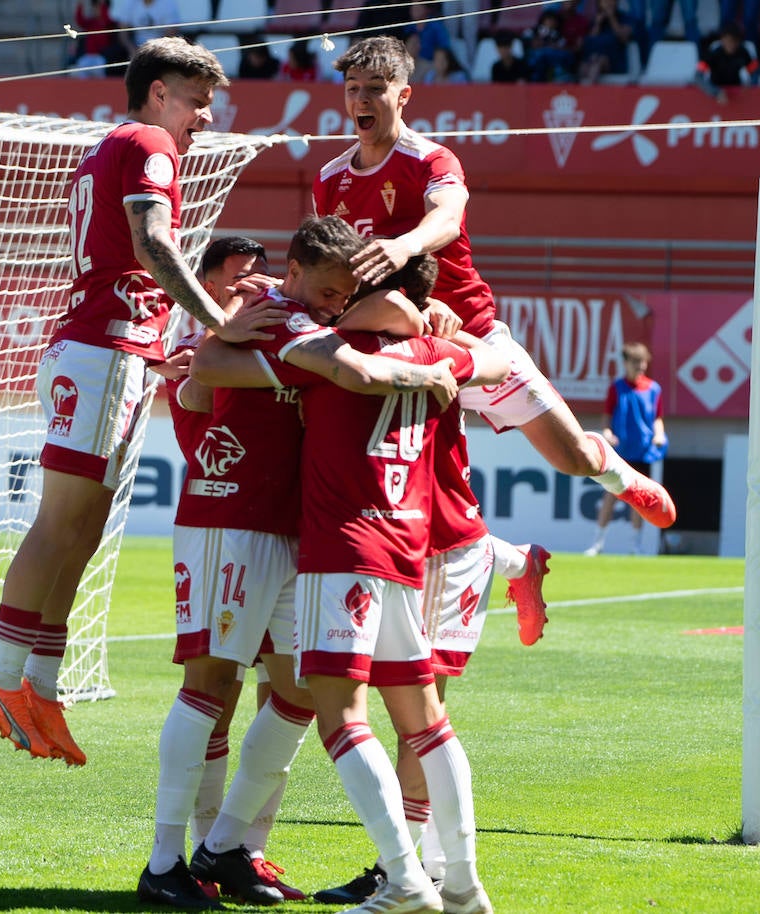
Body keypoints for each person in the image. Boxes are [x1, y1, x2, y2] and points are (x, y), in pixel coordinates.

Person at [0, 37, 284, 768]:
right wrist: (217, 320)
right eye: (197, 101)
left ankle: (38, 684)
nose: (204, 117)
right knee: (61, 522)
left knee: (84, 529)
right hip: (102, 347)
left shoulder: (113, 145)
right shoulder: (146, 142)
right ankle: (1, 676)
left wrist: (154, 350)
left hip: (117, 350)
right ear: (157, 92)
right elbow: (151, 244)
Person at [190, 216, 508, 914]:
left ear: (362, 288)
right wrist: (430, 344)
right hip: (404, 549)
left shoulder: (317, 345)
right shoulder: (432, 346)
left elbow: (206, 369)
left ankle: (404, 881)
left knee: (338, 717)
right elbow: (497, 363)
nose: (329, 300)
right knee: (426, 722)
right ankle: (462, 882)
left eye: (342, 289)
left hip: (341, 549)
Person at [313, 37, 676, 569]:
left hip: (472, 339)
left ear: (404, 94)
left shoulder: (430, 159)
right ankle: (518, 567)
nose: (362, 100)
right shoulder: (330, 179)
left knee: (571, 457)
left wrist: (406, 243)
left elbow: (448, 211)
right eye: (353, 90)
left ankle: (620, 474)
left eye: (375, 89)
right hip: (393, 346)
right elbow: (329, 262)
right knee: (419, 505)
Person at [139, 237, 309, 909]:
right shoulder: (201, 361)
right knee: (215, 693)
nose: (251, 287)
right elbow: (203, 410)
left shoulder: (279, 325)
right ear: (201, 286)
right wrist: (218, 341)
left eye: (259, 277)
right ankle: (173, 860)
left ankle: (235, 848)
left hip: (294, 531)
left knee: (299, 693)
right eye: (236, 280)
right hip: (229, 523)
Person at [585, 342, 668, 556]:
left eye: (643, 362)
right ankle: (598, 544)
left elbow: (657, 418)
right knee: (610, 497)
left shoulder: (654, 389)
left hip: (643, 452)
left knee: (639, 502)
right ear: (625, 363)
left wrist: (659, 434)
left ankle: (635, 546)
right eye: (635, 362)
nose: (640, 366)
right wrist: (607, 432)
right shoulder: (617, 387)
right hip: (620, 453)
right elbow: (607, 417)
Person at [695, 22, 758, 102]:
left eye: (734, 41)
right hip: (715, 91)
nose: (731, 44)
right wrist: (715, 91)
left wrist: (751, 86)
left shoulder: (743, 52)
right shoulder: (714, 53)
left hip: (736, 92)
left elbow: (754, 71)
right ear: (722, 40)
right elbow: (698, 76)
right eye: (728, 41)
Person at [578, 0, 640, 84]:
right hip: (592, 58)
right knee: (583, 66)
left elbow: (623, 38)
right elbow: (590, 41)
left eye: (611, 0)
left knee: (597, 64)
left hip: (615, 61)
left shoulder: (626, 18)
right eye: (604, 1)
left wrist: (612, 18)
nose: (608, 3)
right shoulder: (595, 20)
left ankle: (588, 91)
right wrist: (598, 24)